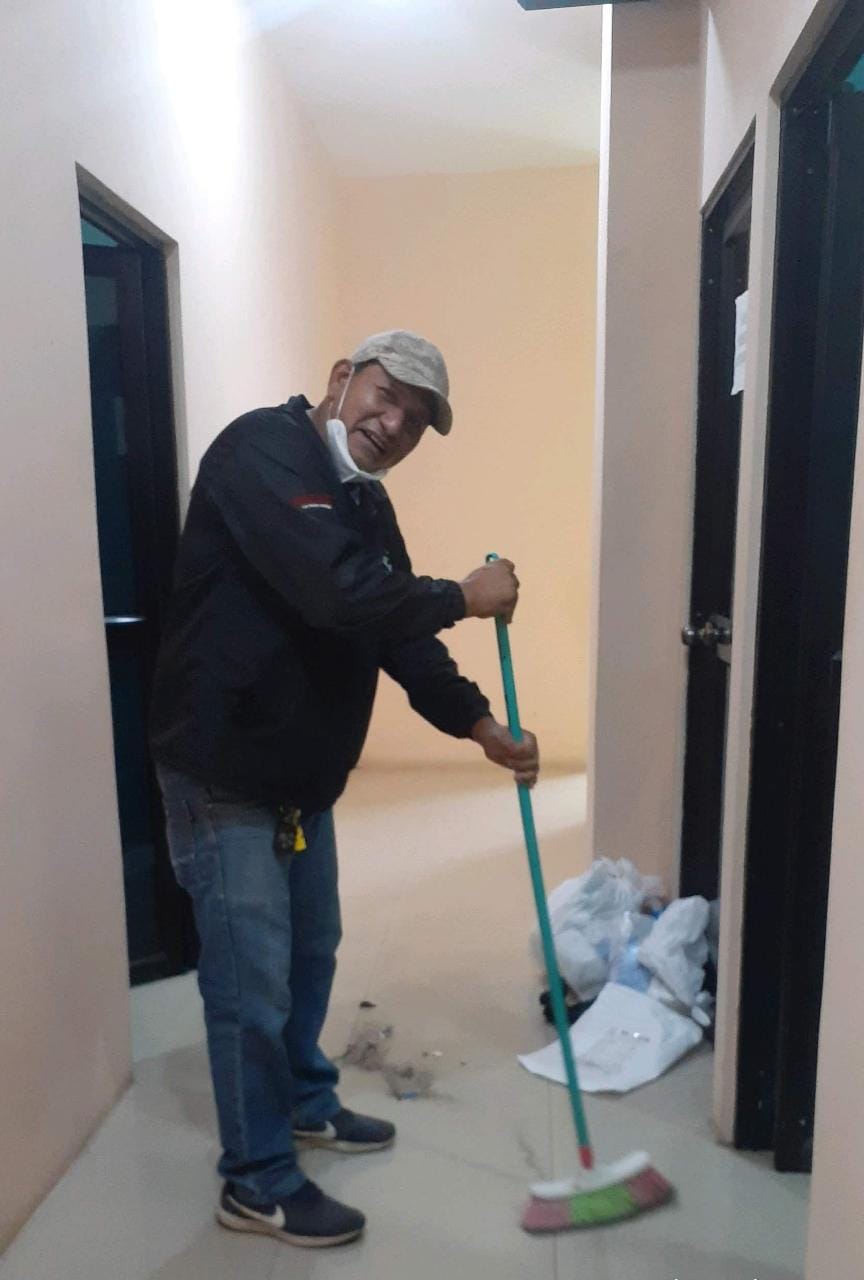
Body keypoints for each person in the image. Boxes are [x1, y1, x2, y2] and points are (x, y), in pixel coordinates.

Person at [150, 330, 539, 1249]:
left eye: (417, 419)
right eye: (386, 395)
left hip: (300, 780)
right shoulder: (262, 453)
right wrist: (465, 594)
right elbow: (340, 595)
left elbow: (394, 629)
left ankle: (304, 1102)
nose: (395, 422)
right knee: (251, 985)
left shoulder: (364, 500)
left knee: (310, 955)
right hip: (226, 772)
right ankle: (256, 1182)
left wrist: (479, 724)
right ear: (341, 380)